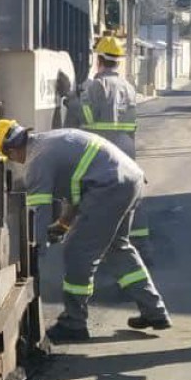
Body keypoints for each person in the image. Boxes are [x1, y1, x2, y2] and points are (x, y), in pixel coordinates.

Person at [0, 118, 170, 345]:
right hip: (129, 179)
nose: (15, 163)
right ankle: (155, 311)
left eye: (10, 159)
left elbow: (39, 212)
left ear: (12, 151)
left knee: (78, 252)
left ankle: (74, 323)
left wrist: (34, 250)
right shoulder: (50, 142)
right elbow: (78, 190)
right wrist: (63, 224)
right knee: (117, 247)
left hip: (109, 187)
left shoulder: (37, 162)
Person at [76, 33, 150, 241]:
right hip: (126, 147)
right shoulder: (129, 88)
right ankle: (137, 238)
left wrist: (71, 101)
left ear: (98, 60)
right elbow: (133, 125)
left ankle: (103, 238)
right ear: (118, 62)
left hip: (102, 147)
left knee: (101, 194)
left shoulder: (95, 86)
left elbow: (86, 117)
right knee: (129, 193)